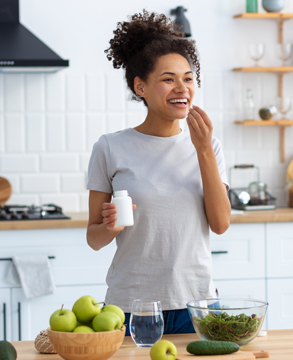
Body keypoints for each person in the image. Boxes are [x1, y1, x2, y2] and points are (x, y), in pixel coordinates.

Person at [85, 10, 231, 335]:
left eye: (188, 78)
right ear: (141, 87)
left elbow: (220, 224)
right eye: (168, 79)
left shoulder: (209, 145)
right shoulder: (110, 148)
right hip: (132, 308)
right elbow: (93, 238)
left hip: (198, 304)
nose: (182, 87)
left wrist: (204, 149)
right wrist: (110, 227)